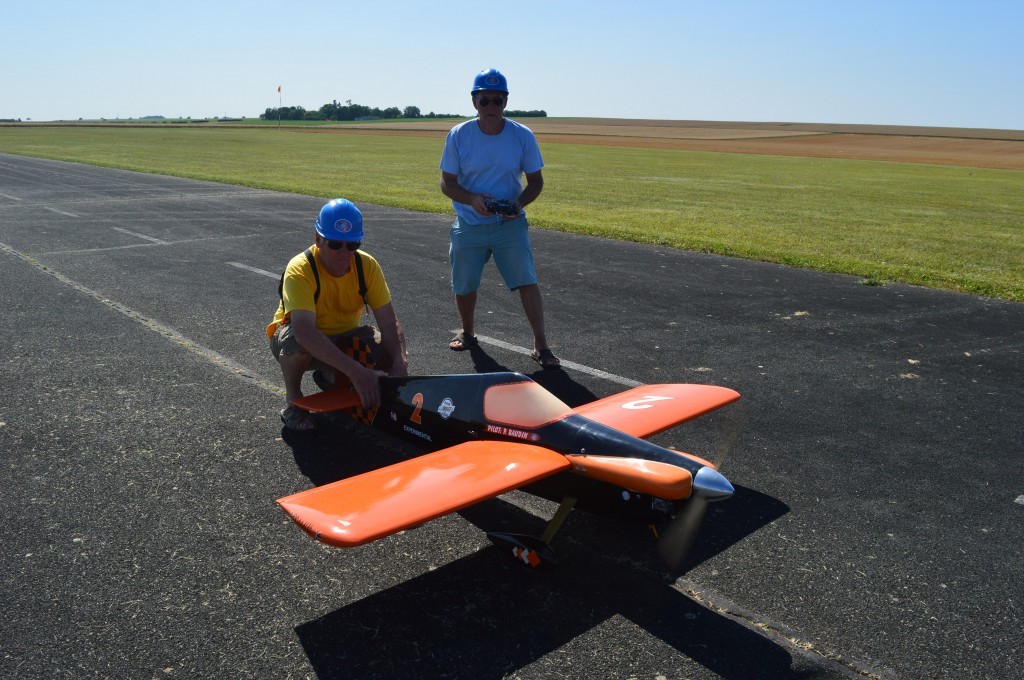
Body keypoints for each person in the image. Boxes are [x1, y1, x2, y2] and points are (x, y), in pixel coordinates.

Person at [439, 67, 560, 369]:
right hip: (469, 222)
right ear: (474, 101)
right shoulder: (459, 135)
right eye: (485, 101)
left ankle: (541, 346)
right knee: (464, 283)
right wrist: (472, 200)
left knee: (527, 280)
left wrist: (517, 205)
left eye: (497, 100)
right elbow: (447, 182)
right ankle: (468, 333)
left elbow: (536, 182)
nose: (491, 107)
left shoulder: (522, 136)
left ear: (506, 101)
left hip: (510, 224)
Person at [267, 198, 408, 432]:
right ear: (318, 239)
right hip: (302, 338)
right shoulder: (300, 268)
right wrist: (357, 372)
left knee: (386, 350)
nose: (344, 252)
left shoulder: (368, 266)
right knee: (295, 346)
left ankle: (332, 379)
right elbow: (304, 332)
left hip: (344, 338)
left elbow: (388, 321)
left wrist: (399, 366)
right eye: (334, 244)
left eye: (351, 245)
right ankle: (294, 403)